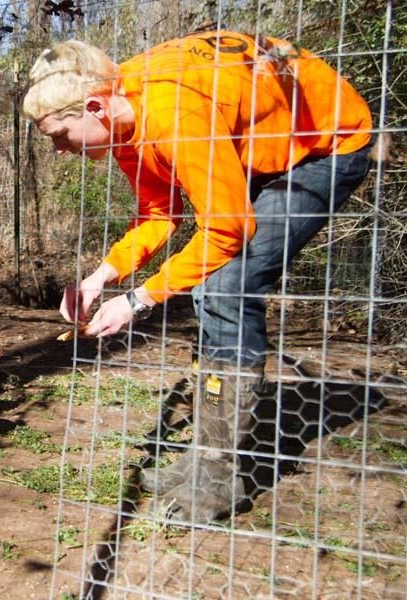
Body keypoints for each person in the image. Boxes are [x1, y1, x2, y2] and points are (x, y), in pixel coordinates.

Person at [22, 32, 373, 523]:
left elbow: (228, 228)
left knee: (226, 285)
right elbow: (158, 214)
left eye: (59, 135)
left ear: (96, 107)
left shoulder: (173, 114)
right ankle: (203, 457)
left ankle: (220, 471)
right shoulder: (126, 120)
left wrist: (137, 300)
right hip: (250, 137)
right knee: (213, 281)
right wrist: (101, 278)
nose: (59, 150)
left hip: (323, 144)